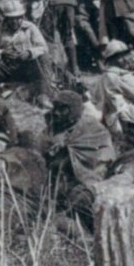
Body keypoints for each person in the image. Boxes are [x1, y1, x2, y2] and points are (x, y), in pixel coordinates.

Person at [42, 90, 115, 231]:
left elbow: (101, 161)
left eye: (62, 109)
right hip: (55, 183)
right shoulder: (52, 126)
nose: (56, 113)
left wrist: (66, 151)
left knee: (83, 199)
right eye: (55, 107)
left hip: (87, 179)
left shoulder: (92, 129)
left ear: (74, 110)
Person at [0, 0, 54, 109]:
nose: (15, 21)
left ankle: (44, 94)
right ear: (5, 18)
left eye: (18, 18)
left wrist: (29, 53)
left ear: (23, 16)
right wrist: (1, 53)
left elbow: (43, 47)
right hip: (6, 68)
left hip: (26, 68)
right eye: (12, 18)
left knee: (44, 57)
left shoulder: (30, 28)